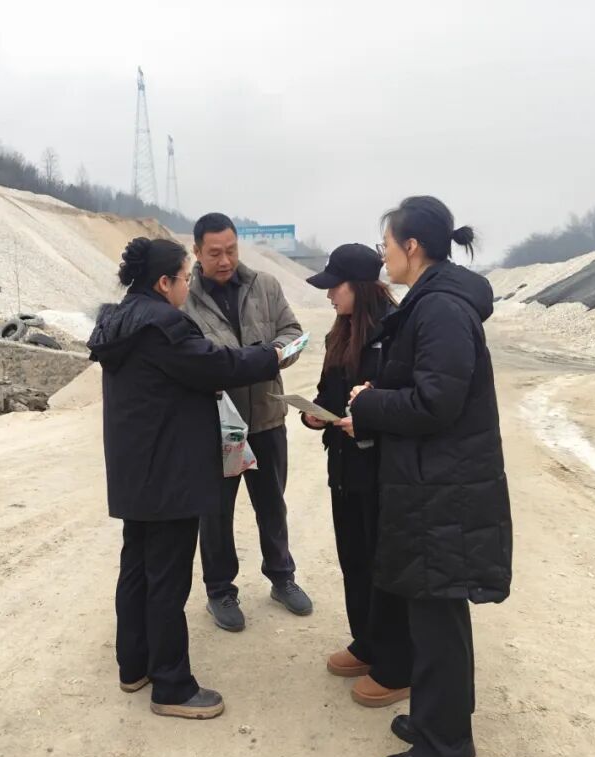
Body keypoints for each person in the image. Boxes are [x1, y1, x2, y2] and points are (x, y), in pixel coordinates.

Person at [347, 196, 513, 757]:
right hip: (432, 486)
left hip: (443, 493)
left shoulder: (440, 307)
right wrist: (377, 397)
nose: (384, 256)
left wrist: (371, 404)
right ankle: (437, 723)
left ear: (411, 246)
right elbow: (426, 387)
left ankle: (443, 754)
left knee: (439, 621)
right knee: (434, 617)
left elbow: (437, 402)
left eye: (387, 245)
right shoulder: (432, 301)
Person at [87, 236, 283, 720]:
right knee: (167, 579)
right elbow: (216, 364)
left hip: (136, 471)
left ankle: (134, 665)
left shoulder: (120, 321)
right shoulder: (163, 324)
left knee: (137, 568)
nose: (188, 285)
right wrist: (272, 356)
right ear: (163, 282)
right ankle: (172, 686)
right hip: (169, 473)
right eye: (184, 277)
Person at [183, 213, 313, 632]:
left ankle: (282, 577)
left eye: (231, 250)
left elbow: (293, 333)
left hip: (268, 418)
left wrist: (273, 354)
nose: (225, 261)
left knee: (272, 504)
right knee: (215, 513)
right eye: (214, 253)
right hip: (217, 426)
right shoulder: (185, 299)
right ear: (197, 252)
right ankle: (220, 590)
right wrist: (235, 364)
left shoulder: (265, 286)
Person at [300, 244, 413, 708]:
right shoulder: (341, 331)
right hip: (345, 467)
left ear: (359, 287)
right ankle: (366, 643)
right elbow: (329, 392)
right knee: (354, 558)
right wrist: (314, 415)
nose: (329, 295)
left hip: (383, 470)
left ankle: (398, 666)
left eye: (335, 287)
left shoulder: (397, 330)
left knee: (385, 565)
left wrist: (364, 418)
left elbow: (405, 403)